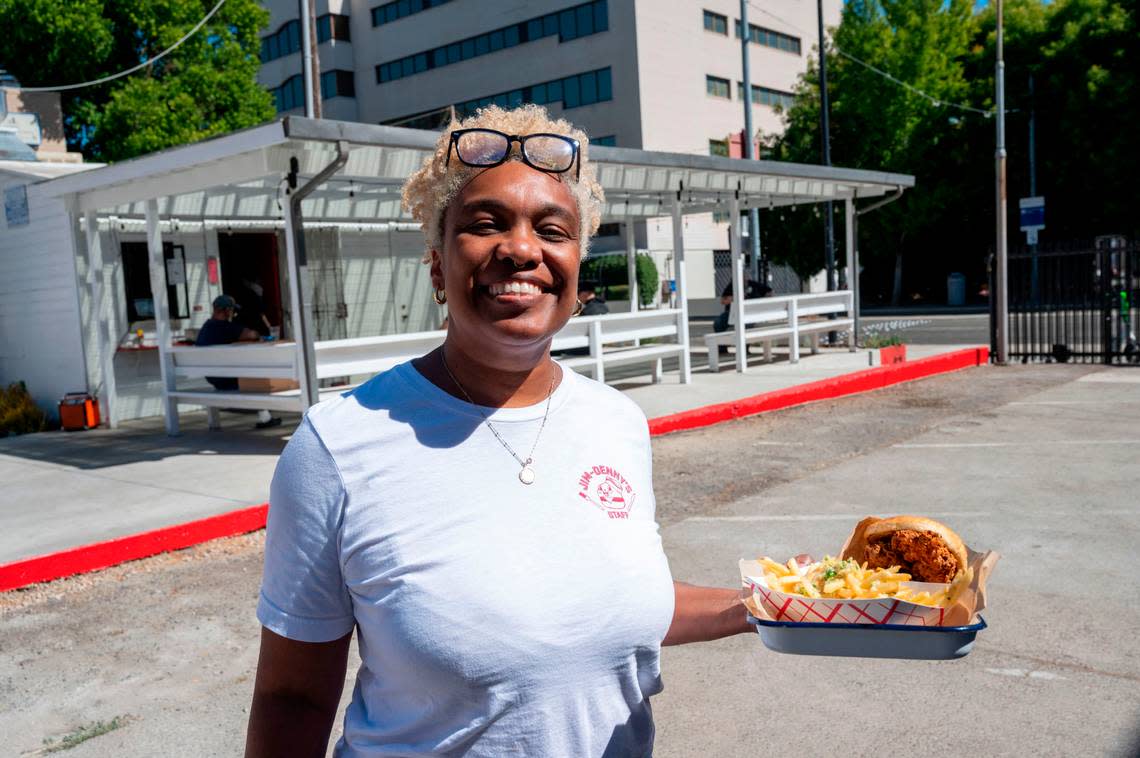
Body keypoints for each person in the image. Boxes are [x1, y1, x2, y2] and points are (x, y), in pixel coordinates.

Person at [245, 105, 752, 758]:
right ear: (437, 267)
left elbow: (602, 605)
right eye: (485, 224)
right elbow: (293, 698)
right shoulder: (339, 446)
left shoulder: (616, 423)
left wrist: (758, 604)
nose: (519, 249)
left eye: (552, 228)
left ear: (575, 274)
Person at [195, 295, 281, 429]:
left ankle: (266, 417)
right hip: (227, 379)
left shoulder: (207, 327)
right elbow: (252, 334)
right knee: (256, 377)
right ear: (225, 310)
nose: (233, 313)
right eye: (232, 310)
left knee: (250, 374)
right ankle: (265, 418)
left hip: (213, 377)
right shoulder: (225, 328)